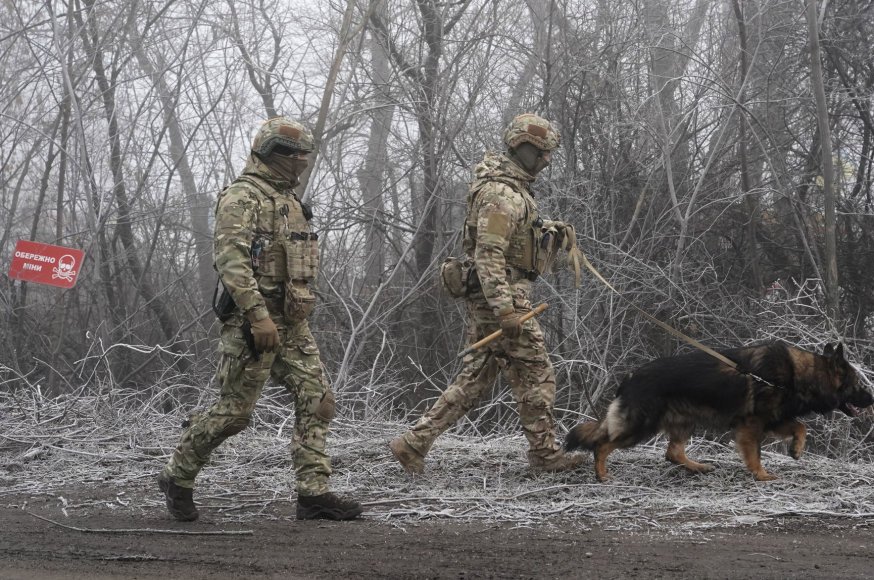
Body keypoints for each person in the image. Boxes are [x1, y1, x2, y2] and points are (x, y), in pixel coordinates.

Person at [158, 118, 362, 521]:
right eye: (297, 155)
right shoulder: (242, 196)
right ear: (275, 154)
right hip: (253, 324)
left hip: (291, 323)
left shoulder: (287, 200)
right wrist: (257, 317)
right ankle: (176, 475)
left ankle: (313, 494)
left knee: (318, 399)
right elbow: (232, 262)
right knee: (235, 413)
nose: (303, 162)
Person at [390, 113, 585, 474]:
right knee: (537, 375)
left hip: (498, 297)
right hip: (502, 298)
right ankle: (546, 456)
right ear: (521, 148)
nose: (547, 160)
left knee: (475, 379)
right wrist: (506, 310)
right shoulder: (500, 193)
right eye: (541, 152)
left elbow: (507, 244)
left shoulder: (514, 190)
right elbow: (487, 253)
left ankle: (413, 443)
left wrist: (546, 233)